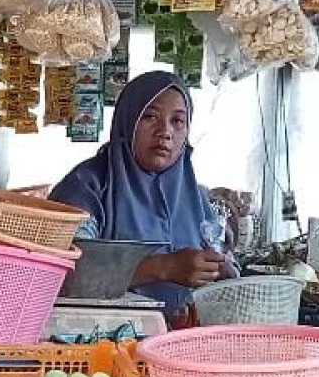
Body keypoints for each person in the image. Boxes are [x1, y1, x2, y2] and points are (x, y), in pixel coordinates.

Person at [49, 71, 238, 320]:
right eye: (150, 116)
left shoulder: (197, 197)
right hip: (98, 346)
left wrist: (220, 269)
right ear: (128, 119)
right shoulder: (86, 187)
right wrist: (163, 267)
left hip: (176, 347)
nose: (165, 132)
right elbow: (65, 275)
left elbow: (227, 267)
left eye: (178, 121)